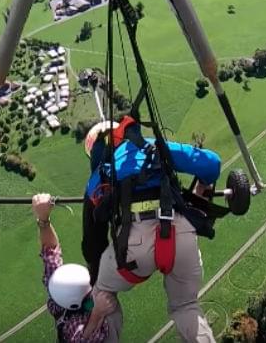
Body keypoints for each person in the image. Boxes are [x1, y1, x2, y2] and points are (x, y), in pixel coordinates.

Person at [82, 116, 227, 342]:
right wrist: (203, 185)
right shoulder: (155, 149)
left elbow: (92, 241)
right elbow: (212, 163)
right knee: (186, 306)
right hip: (179, 235)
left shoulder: (98, 177)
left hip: (131, 249)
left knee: (103, 294)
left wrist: (97, 269)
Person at [33, 193, 121, 342]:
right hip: (96, 334)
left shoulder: (58, 287)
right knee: (112, 272)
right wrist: (97, 314)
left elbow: (50, 251)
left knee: (99, 259)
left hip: (88, 310)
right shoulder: (73, 326)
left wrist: (43, 219)